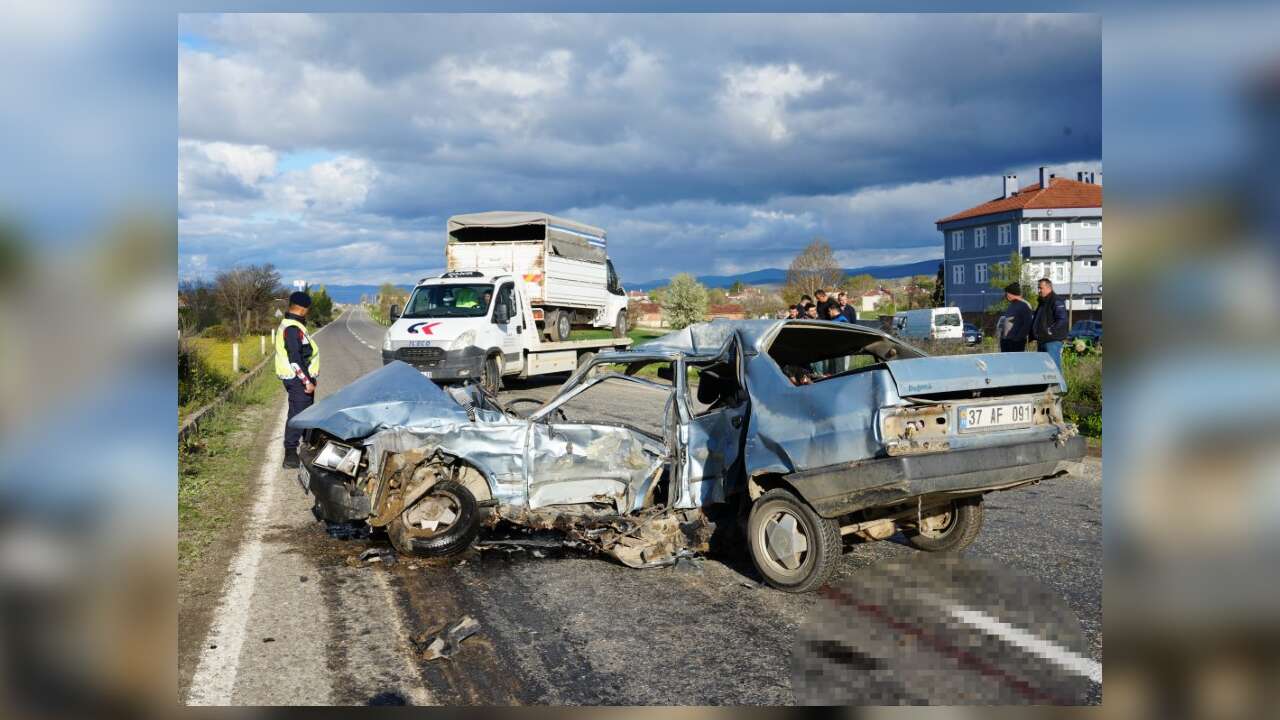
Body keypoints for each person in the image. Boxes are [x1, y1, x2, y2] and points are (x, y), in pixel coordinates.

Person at [276, 291, 320, 468]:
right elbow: (295, 359)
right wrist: (306, 382)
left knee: (305, 412)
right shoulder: (293, 328)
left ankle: (308, 445)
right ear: (303, 310)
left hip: (299, 378)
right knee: (297, 414)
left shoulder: (292, 325)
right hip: (297, 379)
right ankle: (290, 454)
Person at [1032, 277, 1069, 375]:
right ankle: (1047, 389)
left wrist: (1050, 330)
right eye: (1038, 288)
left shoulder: (1056, 301)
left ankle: (1059, 388)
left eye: (1041, 288)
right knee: (1044, 369)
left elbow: (1062, 319)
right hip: (1042, 340)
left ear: (1049, 287)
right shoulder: (1042, 302)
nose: (1039, 290)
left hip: (1052, 340)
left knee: (1053, 367)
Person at [1000, 282, 1033, 352]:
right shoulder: (1012, 304)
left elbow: (1027, 324)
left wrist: (1018, 338)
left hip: (1015, 343)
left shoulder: (1024, 305)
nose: (1005, 295)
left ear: (1010, 294)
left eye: (1006, 293)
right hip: (1006, 341)